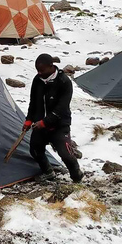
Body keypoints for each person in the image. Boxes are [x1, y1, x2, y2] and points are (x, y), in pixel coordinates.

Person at [23, 54, 84, 183]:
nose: (39, 73)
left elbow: (61, 108)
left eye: (42, 70)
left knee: (65, 154)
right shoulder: (37, 80)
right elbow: (33, 102)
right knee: (35, 149)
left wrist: (45, 122)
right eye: (37, 70)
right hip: (40, 123)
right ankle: (48, 172)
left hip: (59, 125)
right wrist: (29, 119)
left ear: (51, 66)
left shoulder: (64, 81)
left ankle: (76, 174)